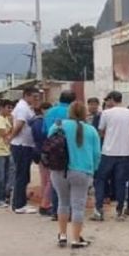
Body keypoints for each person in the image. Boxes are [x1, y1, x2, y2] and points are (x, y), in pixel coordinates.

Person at [48, 101, 101, 248]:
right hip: (82, 171)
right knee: (78, 205)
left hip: (59, 170)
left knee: (62, 203)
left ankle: (62, 235)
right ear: (85, 113)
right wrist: (94, 169)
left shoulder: (57, 126)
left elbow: (49, 146)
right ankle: (76, 238)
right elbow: (97, 154)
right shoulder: (91, 130)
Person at [93, 91, 129, 221]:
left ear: (111, 100)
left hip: (108, 151)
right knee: (121, 182)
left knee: (100, 179)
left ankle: (99, 209)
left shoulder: (106, 113)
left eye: (107, 100)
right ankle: (120, 211)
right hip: (125, 152)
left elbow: (100, 130)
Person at [42, 91, 76, 220]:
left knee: (55, 179)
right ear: (73, 101)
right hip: (70, 149)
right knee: (71, 182)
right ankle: (69, 212)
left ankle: (56, 211)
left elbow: (44, 131)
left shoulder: (50, 112)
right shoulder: (72, 113)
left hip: (53, 150)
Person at [9, 87, 40, 214]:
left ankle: (18, 202)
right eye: (34, 96)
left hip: (25, 145)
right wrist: (11, 137)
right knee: (21, 175)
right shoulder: (22, 108)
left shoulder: (26, 107)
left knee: (23, 175)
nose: (36, 99)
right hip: (22, 145)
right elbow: (19, 125)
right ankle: (19, 205)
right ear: (26, 95)